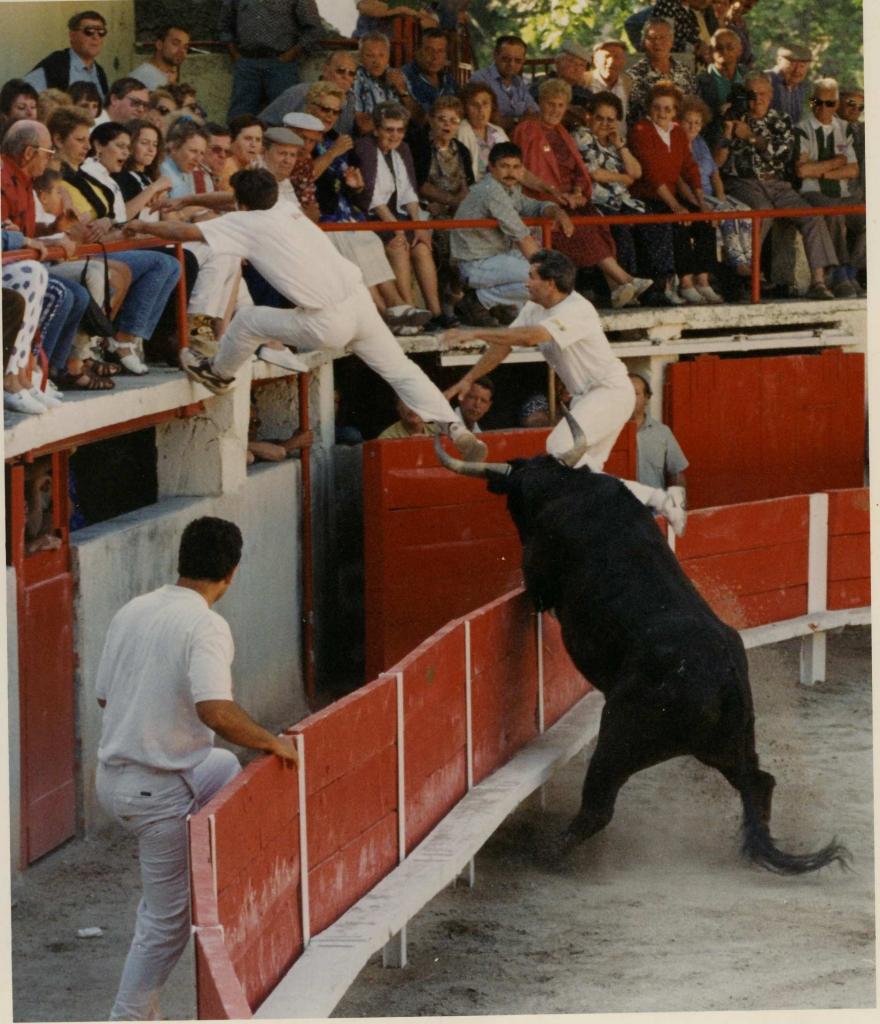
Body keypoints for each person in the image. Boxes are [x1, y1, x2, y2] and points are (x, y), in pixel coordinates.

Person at [125, 168, 489, 463]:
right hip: (358, 302)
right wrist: (188, 198)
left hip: (326, 320)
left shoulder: (242, 223)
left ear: (241, 203)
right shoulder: (283, 203)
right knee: (401, 370)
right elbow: (231, 199)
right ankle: (452, 426)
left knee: (248, 321)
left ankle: (219, 373)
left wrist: (141, 226)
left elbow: (184, 230)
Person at [95, 516, 298, 1021]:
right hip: (154, 795)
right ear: (231, 572)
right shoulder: (207, 624)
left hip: (117, 780)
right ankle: (126, 1017)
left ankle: (216, 872)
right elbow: (215, 709)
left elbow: (105, 695)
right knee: (165, 922)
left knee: (224, 766)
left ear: (181, 561)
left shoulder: (134, 609)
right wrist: (273, 742)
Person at [441, 248, 687, 535]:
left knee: (558, 450)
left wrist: (473, 333)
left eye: (531, 277)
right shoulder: (535, 306)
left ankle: (659, 498)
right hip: (588, 395)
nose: (526, 282)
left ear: (550, 283)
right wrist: (468, 379)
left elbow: (533, 337)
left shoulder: (576, 309)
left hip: (609, 390)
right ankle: (643, 509)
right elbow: (503, 345)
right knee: (581, 476)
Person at [513, 79, 652, 308]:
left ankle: (618, 288)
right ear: (540, 103)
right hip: (544, 201)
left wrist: (578, 191)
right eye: (550, 104)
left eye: (560, 105)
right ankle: (625, 280)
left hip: (572, 200)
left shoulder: (562, 131)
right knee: (582, 228)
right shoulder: (526, 130)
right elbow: (522, 171)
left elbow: (579, 169)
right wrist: (557, 194)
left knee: (596, 220)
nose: (555, 110)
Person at [306, 85, 431, 332]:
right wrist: (332, 154)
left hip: (345, 215)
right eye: (325, 109)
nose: (330, 116)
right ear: (310, 108)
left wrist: (355, 186)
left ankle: (397, 309)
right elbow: (304, 176)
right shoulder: (304, 139)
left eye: (335, 111)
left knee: (369, 242)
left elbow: (353, 188)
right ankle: (387, 314)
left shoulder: (335, 139)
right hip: (320, 217)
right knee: (359, 247)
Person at [715, 71, 838, 300]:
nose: (757, 99)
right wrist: (728, 127)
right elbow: (719, 161)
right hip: (743, 182)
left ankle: (819, 282)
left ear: (771, 95)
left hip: (778, 184)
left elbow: (781, 156)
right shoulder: (734, 117)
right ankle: (748, 279)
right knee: (762, 212)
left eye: (762, 94)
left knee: (813, 216)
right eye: (751, 95)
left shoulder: (781, 119)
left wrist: (750, 136)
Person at [451, 141, 574, 326]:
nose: (510, 172)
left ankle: (494, 303)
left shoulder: (510, 189)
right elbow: (521, 236)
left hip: (495, 258)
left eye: (516, 167)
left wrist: (557, 211)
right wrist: (547, 272)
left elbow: (535, 206)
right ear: (491, 168)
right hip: (474, 262)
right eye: (504, 166)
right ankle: (478, 301)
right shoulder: (490, 190)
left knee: (543, 276)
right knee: (542, 280)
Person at [353, 102, 452, 329]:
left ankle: (435, 313)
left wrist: (418, 226)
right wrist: (398, 228)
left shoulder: (403, 149)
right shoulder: (365, 147)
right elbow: (373, 196)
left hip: (397, 215)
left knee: (422, 246)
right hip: (373, 217)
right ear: (376, 129)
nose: (394, 135)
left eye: (399, 130)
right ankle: (409, 311)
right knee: (399, 245)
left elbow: (409, 192)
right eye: (389, 129)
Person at [629, 81, 720, 304]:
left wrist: (700, 202)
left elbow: (689, 167)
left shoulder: (678, 131)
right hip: (647, 196)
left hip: (670, 195)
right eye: (657, 107)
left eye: (668, 108)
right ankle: (685, 283)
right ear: (649, 108)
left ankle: (703, 281)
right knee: (678, 222)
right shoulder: (642, 130)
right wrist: (676, 206)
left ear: (675, 111)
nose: (662, 113)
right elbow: (652, 173)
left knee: (705, 221)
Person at [795, 78, 865, 298]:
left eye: (830, 103)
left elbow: (853, 170)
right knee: (833, 213)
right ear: (812, 102)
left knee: (868, 221)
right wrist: (836, 163)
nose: (824, 108)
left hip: (842, 193)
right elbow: (802, 172)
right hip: (813, 191)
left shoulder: (844, 129)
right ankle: (839, 273)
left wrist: (823, 172)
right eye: (820, 102)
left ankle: (852, 269)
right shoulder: (802, 128)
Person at [680, 94, 751, 284]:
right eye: (688, 122)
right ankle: (738, 263)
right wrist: (714, 203)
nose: (693, 127)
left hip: (711, 193)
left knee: (745, 211)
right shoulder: (676, 144)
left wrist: (721, 198)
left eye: (697, 122)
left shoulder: (700, 142)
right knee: (726, 213)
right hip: (694, 196)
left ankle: (747, 259)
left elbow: (715, 174)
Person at [219, 0, 324, 120]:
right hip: (247, 65)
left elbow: (314, 29)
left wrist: (289, 55)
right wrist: (236, 56)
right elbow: (224, 26)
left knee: (286, 116)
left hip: (281, 66)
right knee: (239, 116)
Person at [260, 51, 358, 136]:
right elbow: (262, 124)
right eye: (340, 71)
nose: (346, 77)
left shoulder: (355, 101)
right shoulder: (300, 92)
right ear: (325, 70)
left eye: (351, 74)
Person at [25, 9, 110, 99]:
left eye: (101, 32)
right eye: (89, 31)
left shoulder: (99, 72)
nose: (96, 37)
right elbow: (22, 96)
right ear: (72, 35)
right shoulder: (55, 65)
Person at [626, 17, 696, 127]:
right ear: (644, 42)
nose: (657, 42)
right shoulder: (633, 76)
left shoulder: (685, 72)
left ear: (672, 41)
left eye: (662, 38)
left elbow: (694, 108)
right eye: (652, 38)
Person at [629, 370, 688, 490]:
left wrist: (676, 501)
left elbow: (676, 473)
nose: (629, 398)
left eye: (635, 393)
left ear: (646, 398)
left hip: (653, 507)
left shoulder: (662, 432)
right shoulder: (607, 433)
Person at [353, 31, 421, 135]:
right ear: (360, 57)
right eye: (370, 55)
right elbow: (363, 127)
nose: (376, 61)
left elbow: (419, 119)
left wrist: (403, 91)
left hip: (399, 137)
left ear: (388, 56)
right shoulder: (356, 78)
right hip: (371, 139)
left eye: (381, 55)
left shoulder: (397, 76)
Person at [470, 36, 539, 131]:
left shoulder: (519, 83)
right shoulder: (480, 79)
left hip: (519, 137)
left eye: (518, 60)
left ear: (523, 61)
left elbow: (536, 114)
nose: (512, 64)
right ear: (495, 56)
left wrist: (509, 121)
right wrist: (520, 120)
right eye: (506, 59)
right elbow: (491, 121)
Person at [456, 80, 510, 183]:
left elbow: (515, 165)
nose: (481, 109)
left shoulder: (498, 131)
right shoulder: (461, 130)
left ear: (492, 106)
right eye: (474, 104)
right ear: (465, 109)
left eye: (485, 103)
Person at [402, 28, 458, 115]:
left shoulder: (448, 80)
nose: (435, 57)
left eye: (440, 51)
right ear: (418, 51)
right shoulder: (405, 76)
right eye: (429, 50)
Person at [529, 42, 594, 108]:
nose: (577, 68)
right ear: (557, 62)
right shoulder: (541, 86)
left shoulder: (584, 93)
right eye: (572, 62)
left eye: (582, 65)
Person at [651, 0, 717, 63]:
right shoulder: (667, 5)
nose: (706, 1)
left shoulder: (690, 11)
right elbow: (663, 40)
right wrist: (695, 48)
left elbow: (690, 37)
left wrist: (701, 45)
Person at [128, 24, 191, 90]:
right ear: (159, 45)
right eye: (175, 43)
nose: (182, 51)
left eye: (185, 47)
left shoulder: (170, 77)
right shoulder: (142, 76)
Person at [587, 39, 632, 128]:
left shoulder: (629, 83)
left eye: (617, 57)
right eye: (607, 56)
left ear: (624, 61)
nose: (611, 62)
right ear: (594, 60)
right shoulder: (583, 81)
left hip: (619, 140)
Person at [765, 44, 812, 123]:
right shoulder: (765, 80)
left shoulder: (804, 87)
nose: (797, 71)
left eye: (802, 66)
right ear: (779, 60)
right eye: (792, 64)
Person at [354, 0, 438, 38]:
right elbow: (365, 6)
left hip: (406, 53)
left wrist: (408, 10)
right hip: (366, 44)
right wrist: (401, 9)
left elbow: (433, 21)